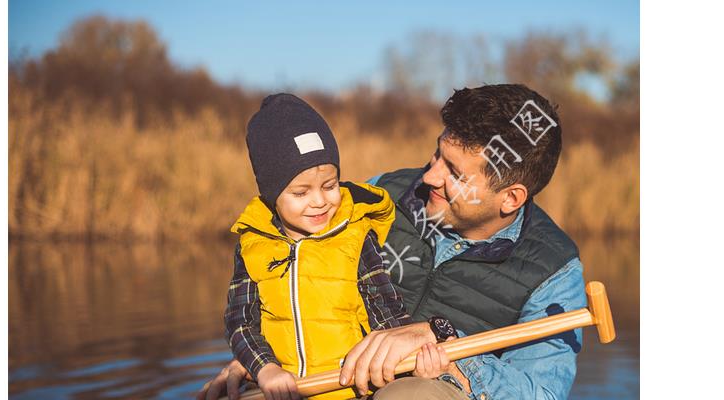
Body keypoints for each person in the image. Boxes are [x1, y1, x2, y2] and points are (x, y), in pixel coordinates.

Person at [200, 84, 586, 400]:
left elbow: (541, 392)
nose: (430, 176)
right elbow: (295, 265)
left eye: (453, 171)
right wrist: (264, 356)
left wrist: (448, 350)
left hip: (434, 388)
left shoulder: (554, 268)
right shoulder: (380, 196)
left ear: (511, 198)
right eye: (437, 154)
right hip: (330, 379)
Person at [224, 93, 413, 400]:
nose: (320, 201)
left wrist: (411, 348)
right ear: (272, 195)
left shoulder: (354, 235)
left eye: (329, 185)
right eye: (301, 192)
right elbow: (239, 322)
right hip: (283, 390)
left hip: (355, 390)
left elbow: (386, 308)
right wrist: (265, 369)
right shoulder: (252, 245)